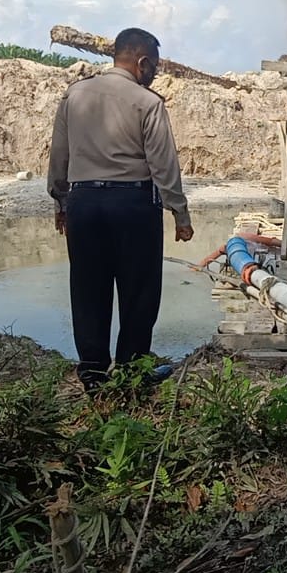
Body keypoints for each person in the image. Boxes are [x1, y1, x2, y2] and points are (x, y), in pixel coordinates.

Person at [47, 27, 194, 392]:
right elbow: (164, 166)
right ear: (142, 62)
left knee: (87, 289)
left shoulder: (74, 95)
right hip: (132, 205)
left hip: (84, 204)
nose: (155, 74)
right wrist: (180, 214)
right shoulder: (147, 103)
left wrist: (61, 202)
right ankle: (131, 372)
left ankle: (93, 376)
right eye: (154, 67)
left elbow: (59, 156)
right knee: (139, 292)